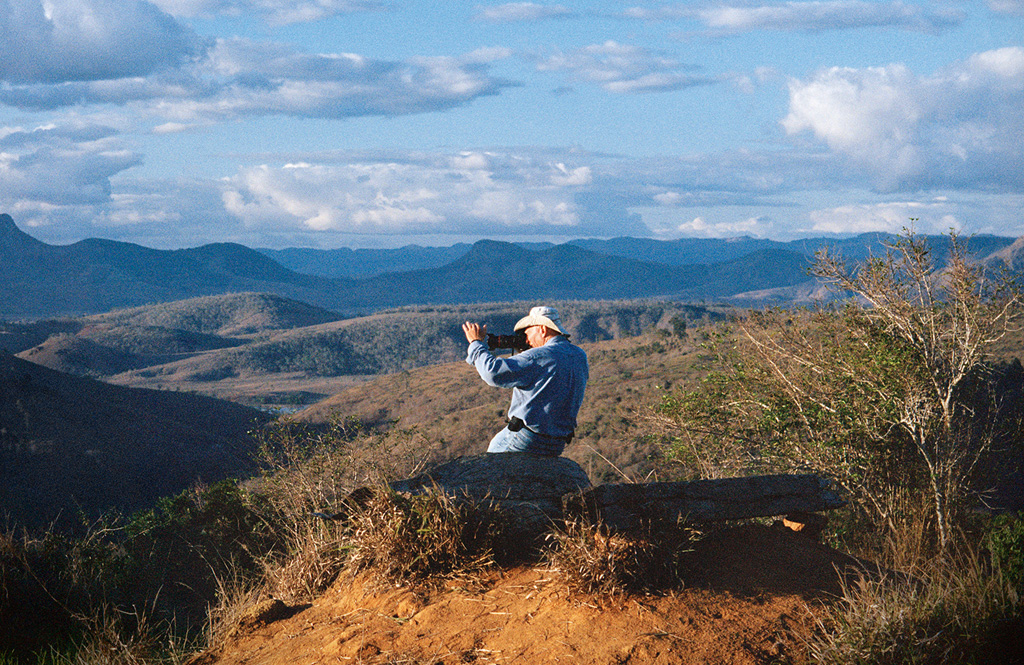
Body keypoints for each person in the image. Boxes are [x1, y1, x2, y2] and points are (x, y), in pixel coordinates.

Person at [462, 305, 588, 456]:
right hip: (557, 443)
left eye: (527, 331)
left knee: (487, 469)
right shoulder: (579, 355)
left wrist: (476, 344)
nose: (526, 338)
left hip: (527, 439)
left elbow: (492, 373)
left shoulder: (539, 356)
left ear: (542, 329)